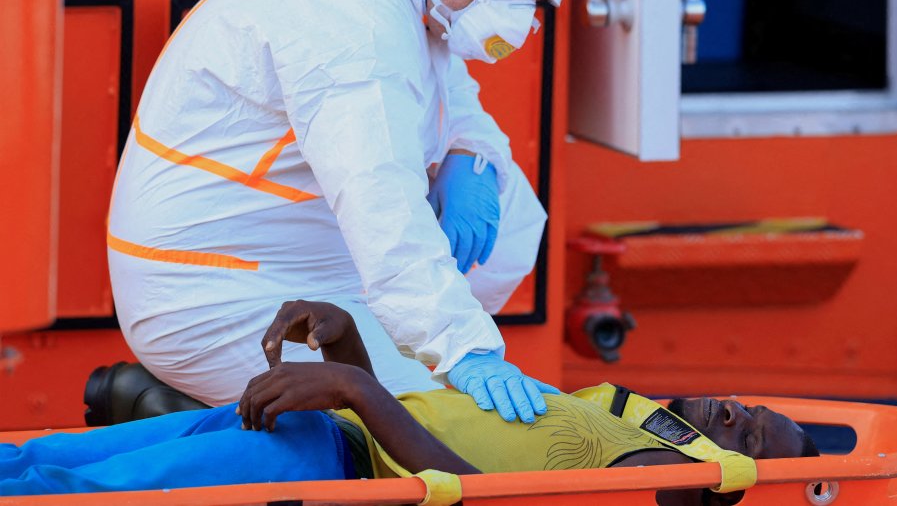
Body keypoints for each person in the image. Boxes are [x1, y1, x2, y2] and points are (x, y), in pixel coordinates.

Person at [105, 0, 599, 421]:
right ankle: (178, 406)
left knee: (506, 198)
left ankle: (419, 353)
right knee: (432, 420)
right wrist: (463, 348)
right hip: (208, 292)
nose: (518, 18)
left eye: (533, 2)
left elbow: (449, 95)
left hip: (275, 253)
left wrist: (470, 153)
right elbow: (378, 197)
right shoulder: (352, 21)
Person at [0, 302, 817, 506]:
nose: (736, 409)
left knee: (68, 496)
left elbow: (489, 499)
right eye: (746, 405)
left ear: (740, 476)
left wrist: (354, 385)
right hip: (318, 429)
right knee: (41, 460)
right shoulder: (618, 417)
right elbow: (428, 434)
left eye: (755, 432)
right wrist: (346, 347)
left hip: (324, 464)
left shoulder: (659, 474)